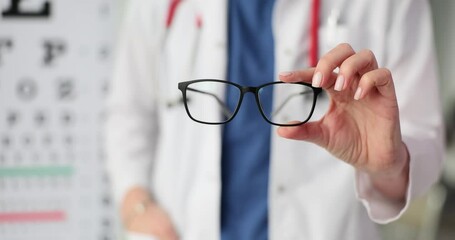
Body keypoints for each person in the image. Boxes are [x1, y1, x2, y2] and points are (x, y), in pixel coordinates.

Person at [105, 0, 444, 239]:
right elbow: (130, 109)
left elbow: (421, 140)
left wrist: (387, 166)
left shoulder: (393, 4)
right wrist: (135, 199)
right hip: (181, 229)